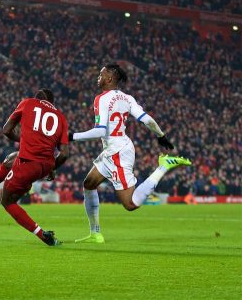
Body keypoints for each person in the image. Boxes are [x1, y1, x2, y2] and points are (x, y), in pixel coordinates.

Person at [70, 64, 191, 243]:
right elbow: (147, 120)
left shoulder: (101, 99)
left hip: (117, 152)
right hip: (115, 149)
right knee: (89, 183)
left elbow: (100, 131)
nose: (98, 77)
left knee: (130, 204)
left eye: (101, 74)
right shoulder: (127, 98)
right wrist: (161, 136)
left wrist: (70, 136)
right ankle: (95, 233)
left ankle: (163, 167)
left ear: (110, 78)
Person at [0, 89, 69, 246]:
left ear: (37, 99)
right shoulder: (61, 118)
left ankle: (42, 235)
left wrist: (21, 139)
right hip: (45, 165)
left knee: (7, 202)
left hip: (28, 163)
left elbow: (6, 130)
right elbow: (64, 154)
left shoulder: (29, 103)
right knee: (10, 159)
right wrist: (52, 168)